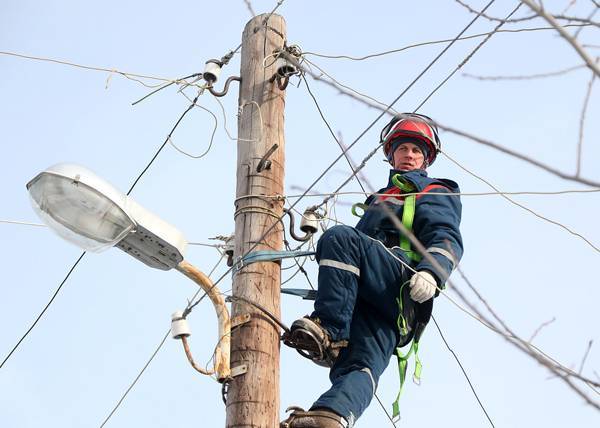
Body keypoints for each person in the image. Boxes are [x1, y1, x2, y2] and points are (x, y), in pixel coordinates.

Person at [281, 113, 464, 428]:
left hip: (401, 283)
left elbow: (446, 235)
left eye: (415, 151)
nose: (408, 155)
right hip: (376, 304)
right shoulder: (379, 199)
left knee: (339, 238)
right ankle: (332, 417)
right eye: (403, 148)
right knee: (361, 365)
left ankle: (330, 331)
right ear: (391, 154)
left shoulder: (434, 189)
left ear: (426, 159)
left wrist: (432, 272)